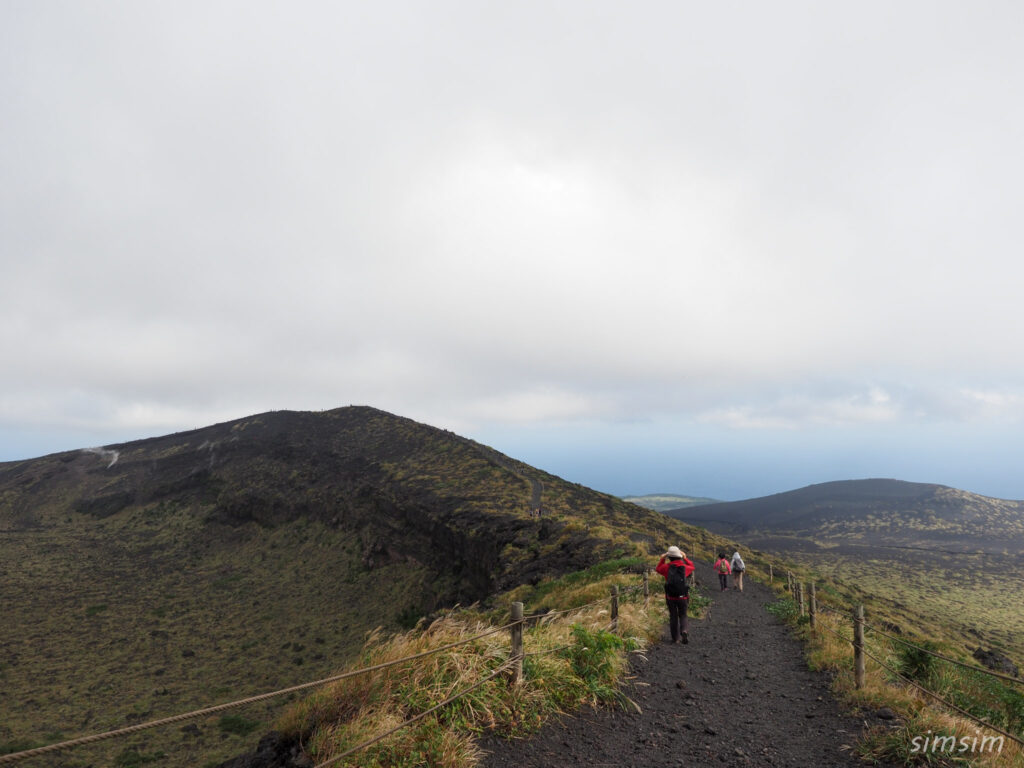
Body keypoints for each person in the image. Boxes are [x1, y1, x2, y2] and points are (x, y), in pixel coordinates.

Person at [655, 546, 695, 644]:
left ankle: (675, 638)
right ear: (679, 556)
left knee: (673, 616)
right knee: (683, 615)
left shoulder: (666, 568)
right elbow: (692, 566)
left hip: (670, 597)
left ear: (669, 557)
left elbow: (658, 569)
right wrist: (685, 558)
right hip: (683, 596)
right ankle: (684, 630)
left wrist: (662, 558)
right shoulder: (684, 568)